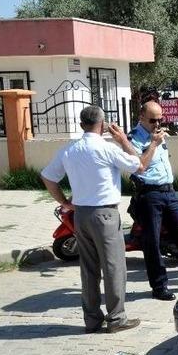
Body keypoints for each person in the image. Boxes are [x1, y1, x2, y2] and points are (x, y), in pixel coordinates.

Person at [41, 106, 148, 333]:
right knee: (114, 267)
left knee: (88, 268)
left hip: (81, 214)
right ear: (102, 125)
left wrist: (64, 202)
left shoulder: (69, 149)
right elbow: (138, 166)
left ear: (82, 125)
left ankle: (92, 319)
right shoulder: (106, 148)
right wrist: (122, 140)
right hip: (105, 214)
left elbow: (48, 177)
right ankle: (116, 318)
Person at [130, 101, 178, 301]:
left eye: (160, 119)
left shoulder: (160, 134)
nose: (157, 123)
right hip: (149, 194)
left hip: (169, 192)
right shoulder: (134, 138)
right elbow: (138, 166)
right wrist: (152, 144)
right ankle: (159, 286)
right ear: (141, 118)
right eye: (153, 120)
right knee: (152, 242)